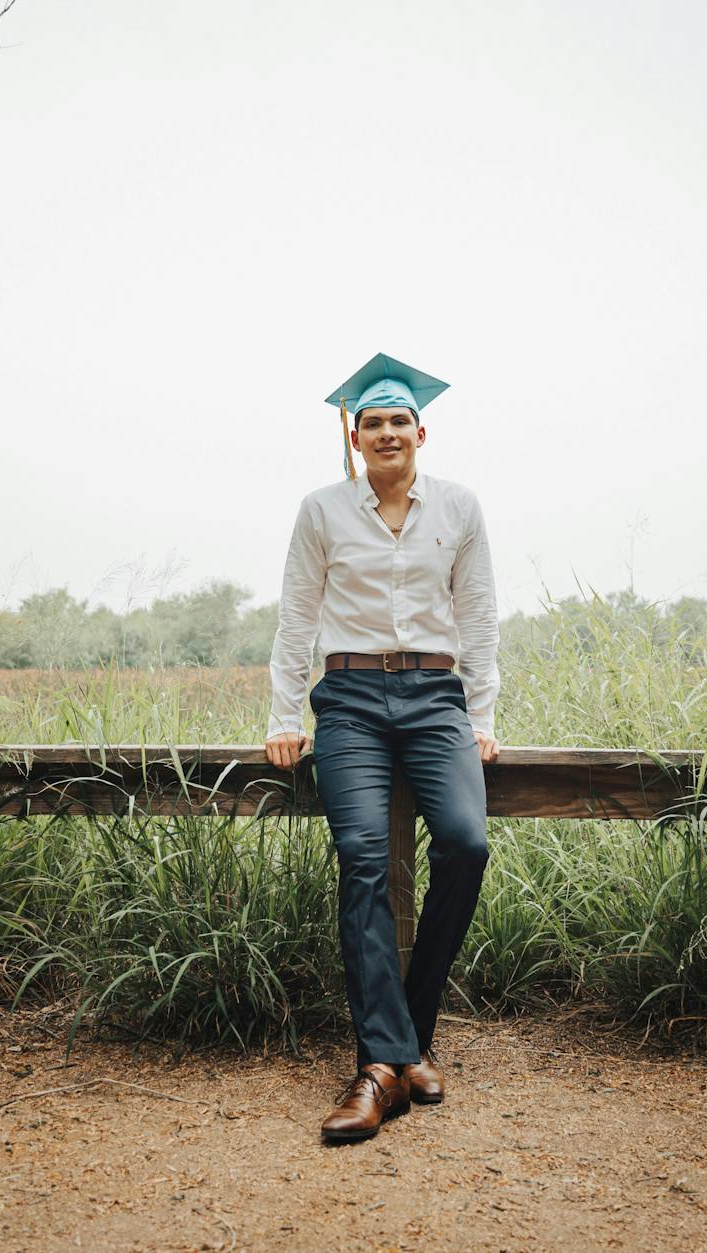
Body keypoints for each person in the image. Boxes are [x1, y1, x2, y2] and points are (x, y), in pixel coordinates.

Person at [265, 351, 501, 1144]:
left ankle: (408, 1037)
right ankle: (381, 1069)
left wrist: (482, 714)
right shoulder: (322, 511)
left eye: (400, 420)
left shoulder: (460, 508)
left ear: (421, 432)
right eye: (374, 422)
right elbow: (297, 615)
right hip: (352, 701)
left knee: (467, 845)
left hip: (437, 699)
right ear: (354, 435)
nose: (388, 432)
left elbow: (478, 616)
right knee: (363, 857)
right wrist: (283, 714)